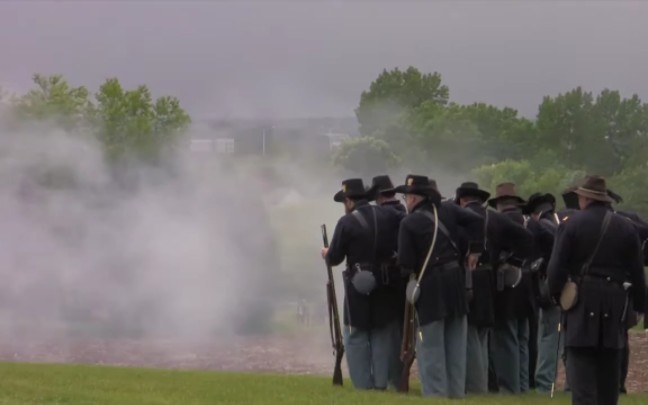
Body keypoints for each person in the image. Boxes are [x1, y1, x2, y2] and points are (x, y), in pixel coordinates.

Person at [547, 175, 646, 405]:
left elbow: (556, 268)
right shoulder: (626, 227)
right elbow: (637, 272)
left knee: (582, 381)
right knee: (609, 382)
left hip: (582, 302)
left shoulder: (570, 225)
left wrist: (556, 295)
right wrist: (640, 305)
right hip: (615, 303)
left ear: (584, 198)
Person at [395, 174, 484, 398]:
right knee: (456, 347)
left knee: (430, 347)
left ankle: (435, 396)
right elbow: (476, 220)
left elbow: (405, 264)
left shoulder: (408, 222)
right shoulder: (450, 210)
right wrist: (475, 249)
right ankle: (455, 395)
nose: (406, 201)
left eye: (407, 197)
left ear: (414, 198)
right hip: (456, 282)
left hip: (431, 287)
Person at [321, 178, 402, 390]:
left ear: (349, 201)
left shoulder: (346, 222)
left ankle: (363, 385)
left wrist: (327, 253)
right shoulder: (389, 215)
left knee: (356, 334)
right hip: (386, 282)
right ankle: (381, 383)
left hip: (358, 285)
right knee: (381, 333)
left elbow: (335, 258)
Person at [454, 181, 534, 395]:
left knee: (471, 333)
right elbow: (527, 239)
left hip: (468, 277)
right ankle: (498, 386)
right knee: (483, 333)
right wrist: (512, 262)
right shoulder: (495, 217)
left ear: (462, 200)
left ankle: (477, 387)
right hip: (490, 278)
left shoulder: (458, 218)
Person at [487, 182, 552, 394]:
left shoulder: (498, 221)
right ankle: (523, 385)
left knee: (506, 337)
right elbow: (552, 241)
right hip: (529, 282)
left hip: (508, 283)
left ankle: (509, 387)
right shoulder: (531, 222)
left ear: (500, 204)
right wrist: (542, 265)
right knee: (523, 337)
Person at [366, 174, 407, 390]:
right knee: (399, 331)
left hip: (387, 279)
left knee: (387, 332)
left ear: (378, 196)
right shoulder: (403, 212)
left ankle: (391, 379)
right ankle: (397, 377)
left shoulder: (382, 215)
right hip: (401, 279)